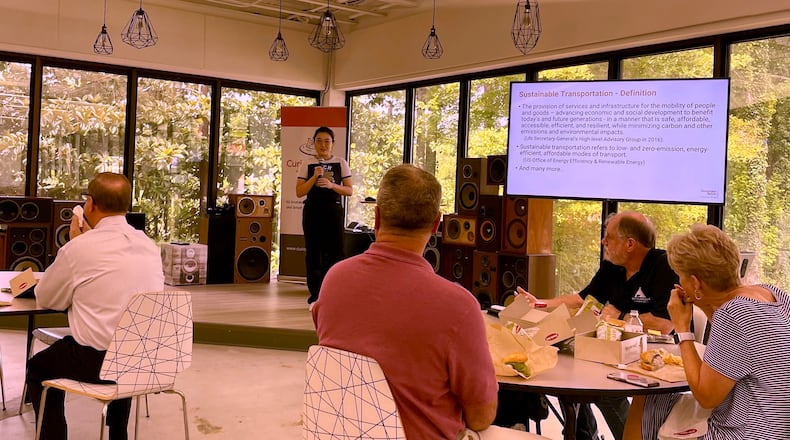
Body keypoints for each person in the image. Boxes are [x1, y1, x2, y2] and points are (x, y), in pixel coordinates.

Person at [314, 164, 521, 439]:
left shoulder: (333, 281)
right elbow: (481, 416)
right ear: (436, 224)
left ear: (376, 217)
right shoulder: (458, 306)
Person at [516, 211, 678, 440]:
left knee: (607, 391)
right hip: (611, 350)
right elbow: (583, 299)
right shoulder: (612, 267)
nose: (604, 242)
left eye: (609, 237)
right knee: (568, 376)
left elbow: (665, 324)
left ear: (630, 244)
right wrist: (540, 303)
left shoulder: (663, 265)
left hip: (653, 355)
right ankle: (584, 435)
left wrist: (620, 316)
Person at [27, 172, 164, 440]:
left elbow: (46, 298)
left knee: (39, 367)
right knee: (124, 338)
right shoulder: (148, 246)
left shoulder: (79, 249)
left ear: (89, 204)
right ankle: (118, 434)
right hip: (145, 361)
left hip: (97, 364)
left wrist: (76, 243)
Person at [624, 224, 790, 439]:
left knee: (645, 398)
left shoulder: (733, 315)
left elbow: (706, 396)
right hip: (778, 425)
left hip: (747, 432)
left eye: (681, 277)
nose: (679, 283)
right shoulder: (773, 294)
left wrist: (683, 328)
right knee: (658, 400)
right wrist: (701, 302)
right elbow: (734, 349)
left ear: (695, 282)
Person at [296, 126, 353, 306]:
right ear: (314, 143)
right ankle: (316, 295)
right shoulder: (307, 163)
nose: (323, 144)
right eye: (319, 141)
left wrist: (331, 185)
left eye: (327, 141)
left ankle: (334, 292)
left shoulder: (341, 162)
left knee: (335, 252)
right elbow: (299, 192)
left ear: (333, 144)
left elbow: (349, 190)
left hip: (333, 210)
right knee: (313, 253)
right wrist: (314, 178)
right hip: (312, 210)